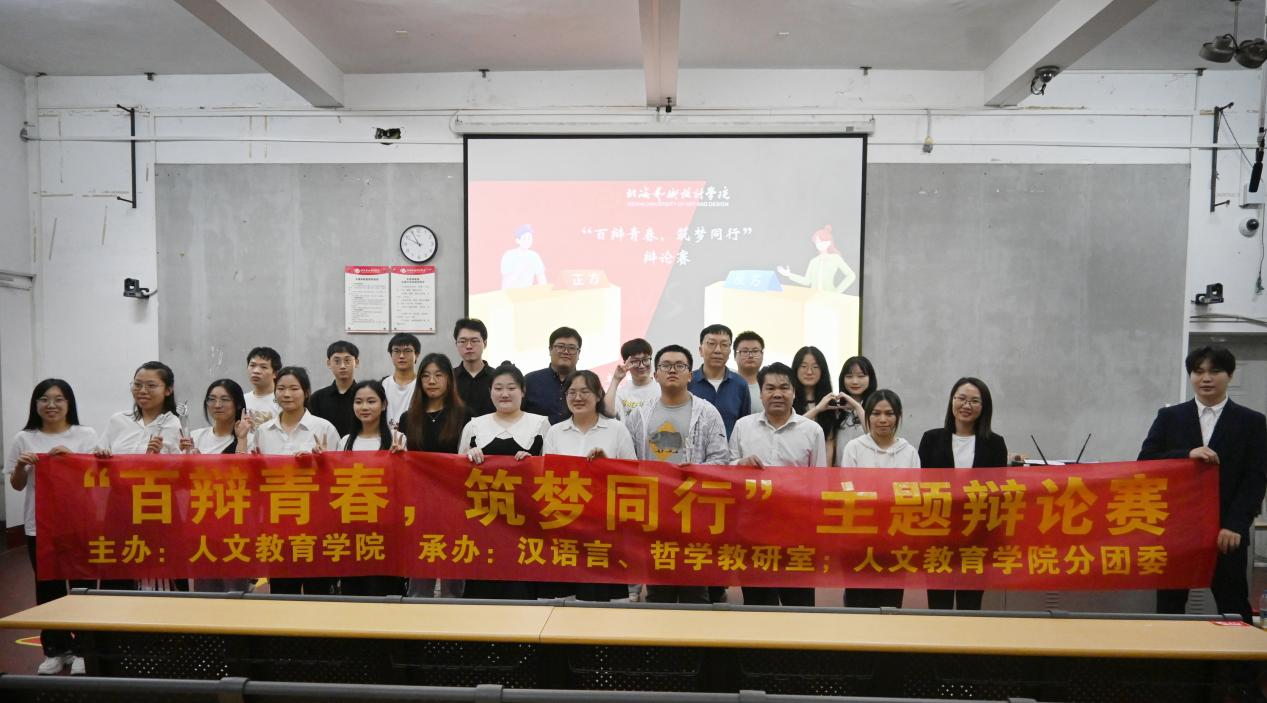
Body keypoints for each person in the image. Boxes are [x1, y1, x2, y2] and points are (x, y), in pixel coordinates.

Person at [1139, 346, 1266, 624]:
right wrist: (1186, 454)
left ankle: (1238, 654)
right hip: (1177, 529)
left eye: (1215, 371)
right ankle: (1173, 653)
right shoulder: (1170, 417)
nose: (1206, 378)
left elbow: (1255, 479)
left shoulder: (1252, 422)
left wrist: (1235, 525)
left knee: (1233, 605)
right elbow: (1146, 461)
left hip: (1226, 532)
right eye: (1198, 372)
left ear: (1230, 375)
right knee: (1170, 606)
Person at [5, 379, 98, 675]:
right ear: (35, 405)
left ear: (69, 403)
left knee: (82, 588)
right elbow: (17, 485)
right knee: (48, 588)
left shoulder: (85, 435)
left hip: (79, 524)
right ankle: (56, 649)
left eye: (59, 399)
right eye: (44, 399)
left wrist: (74, 461)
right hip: (39, 526)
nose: (51, 405)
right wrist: (22, 467)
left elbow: (96, 479)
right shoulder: (24, 438)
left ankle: (84, 649)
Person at [625, 344, 729, 604]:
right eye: (666, 366)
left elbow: (721, 461)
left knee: (695, 590)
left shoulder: (707, 412)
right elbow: (628, 460)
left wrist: (697, 472)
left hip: (695, 513)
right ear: (656, 374)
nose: (672, 370)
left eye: (680, 366)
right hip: (655, 514)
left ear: (690, 374)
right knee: (658, 591)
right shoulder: (639, 415)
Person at [729, 362, 827, 607]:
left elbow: (819, 483)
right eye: (770, 388)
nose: (777, 394)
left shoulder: (812, 431)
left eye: (784, 388)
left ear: (794, 392)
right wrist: (740, 464)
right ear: (760, 393)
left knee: (799, 605)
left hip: (796, 533)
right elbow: (726, 470)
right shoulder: (743, 427)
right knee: (758, 604)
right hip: (753, 531)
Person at [459, 362, 551, 599]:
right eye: (498, 388)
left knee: (521, 589)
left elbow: (551, 471)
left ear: (523, 391)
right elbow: (457, 474)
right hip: (483, 521)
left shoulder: (540, 424)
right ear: (490, 392)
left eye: (511, 388)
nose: (504, 394)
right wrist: (469, 458)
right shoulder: (474, 425)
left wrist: (534, 463)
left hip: (525, 522)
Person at [543, 370, 637, 602]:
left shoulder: (616, 429)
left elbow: (633, 478)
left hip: (604, 530)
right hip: (565, 528)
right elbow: (547, 479)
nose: (577, 397)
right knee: (565, 602)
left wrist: (607, 466)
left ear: (598, 395)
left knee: (602, 602)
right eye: (571, 392)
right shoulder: (555, 432)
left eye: (584, 391)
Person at [917, 377, 1008, 612]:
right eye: (962, 398)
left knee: (971, 606)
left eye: (975, 401)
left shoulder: (995, 443)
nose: (967, 405)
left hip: (976, 537)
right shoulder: (931, 439)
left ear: (984, 407)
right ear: (952, 401)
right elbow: (921, 487)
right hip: (938, 535)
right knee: (939, 606)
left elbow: (998, 493)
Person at [255, 366, 342, 596]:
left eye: (294, 388)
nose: (287, 394)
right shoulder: (263, 431)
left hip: (316, 523)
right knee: (283, 591)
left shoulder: (323, 428)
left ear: (306, 392)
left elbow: (340, 476)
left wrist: (322, 462)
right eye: (281, 388)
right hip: (279, 524)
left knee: (318, 591)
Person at [840, 389, 919, 609]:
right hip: (859, 538)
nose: (883, 419)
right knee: (858, 601)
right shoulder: (854, 448)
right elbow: (847, 490)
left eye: (889, 413)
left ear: (898, 416)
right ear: (867, 416)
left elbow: (914, 494)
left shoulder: (909, 452)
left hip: (895, 538)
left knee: (891, 601)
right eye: (876, 413)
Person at [400, 353, 469, 599]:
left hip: (455, 500)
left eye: (438, 375)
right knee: (421, 565)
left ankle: (455, 616)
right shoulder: (409, 418)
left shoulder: (464, 415)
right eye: (426, 376)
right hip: (419, 501)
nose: (432, 381)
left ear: (449, 379)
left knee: (453, 564)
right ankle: (418, 616)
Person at [180, 379, 255, 593]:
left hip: (235, 517)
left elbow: (242, 476)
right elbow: (183, 481)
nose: (217, 405)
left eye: (224, 399)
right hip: (203, 515)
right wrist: (186, 459)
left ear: (237, 404)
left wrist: (241, 439)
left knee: (235, 583)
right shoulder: (195, 437)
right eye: (212, 399)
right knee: (205, 581)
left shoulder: (251, 438)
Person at [336, 380, 406, 597]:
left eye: (371, 401)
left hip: (385, 525)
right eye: (358, 402)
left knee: (383, 586)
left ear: (384, 405)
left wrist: (401, 459)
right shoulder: (345, 441)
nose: (364, 407)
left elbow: (405, 483)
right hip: (352, 524)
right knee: (353, 587)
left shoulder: (397, 439)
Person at [98, 361, 183, 457]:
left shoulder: (173, 425)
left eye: (151, 386)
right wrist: (102, 454)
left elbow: (179, 463)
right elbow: (96, 456)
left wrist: (158, 457)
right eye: (137, 385)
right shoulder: (118, 420)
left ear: (168, 390)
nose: (142, 391)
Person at [688, 324, 751, 437]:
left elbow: (745, 426)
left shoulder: (740, 384)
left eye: (724, 345)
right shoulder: (687, 381)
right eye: (711, 344)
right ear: (700, 350)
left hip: (730, 448)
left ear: (730, 351)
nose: (718, 350)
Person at [524, 326, 582, 425]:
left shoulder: (588, 382)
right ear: (550, 349)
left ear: (578, 353)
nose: (566, 352)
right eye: (560, 347)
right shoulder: (530, 381)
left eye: (572, 348)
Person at [775, 224, 857, 293]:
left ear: (829, 242)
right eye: (818, 242)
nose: (820, 244)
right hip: (814, 297)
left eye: (823, 241)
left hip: (829, 297)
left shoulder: (835, 258)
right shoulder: (814, 261)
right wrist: (789, 275)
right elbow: (807, 281)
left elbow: (851, 275)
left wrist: (837, 292)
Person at [791, 346, 838, 462]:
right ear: (796, 369)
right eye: (804, 366)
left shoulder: (830, 402)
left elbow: (829, 442)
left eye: (815, 367)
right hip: (794, 462)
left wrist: (825, 471)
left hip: (819, 466)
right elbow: (789, 430)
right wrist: (817, 409)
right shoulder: (788, 399)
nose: (809, 372)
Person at [309, 340, 360, 438]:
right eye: (337, 361)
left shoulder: (363, 396)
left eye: (347, 361)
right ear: (329, 363)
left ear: (356, 362)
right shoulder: (317, 398)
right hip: (326, 446)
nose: (342, 366)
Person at [833, 356, 876, 467]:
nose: (855, 381)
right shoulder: (836, 408)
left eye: (861, 376)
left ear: (870, 378)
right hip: (839, 472)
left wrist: (857, 407)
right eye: (849, 376)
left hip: (867, 472)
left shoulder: (876, 407)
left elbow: (874, 436)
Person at [604, 337, 660, 421]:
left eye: (645, 359)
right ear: (626, 363)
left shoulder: (661, 389)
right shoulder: (622, 394)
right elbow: (607, 413)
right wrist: (615, 379)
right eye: (635, 361)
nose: (642, 365)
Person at [453, 318, 495, 417]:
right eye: (463, 341)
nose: (468, 346)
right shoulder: (449, 378)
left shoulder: (496, 377)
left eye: (474, 341)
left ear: (485, 344)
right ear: (456, 345)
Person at [382, 333, 420, 426]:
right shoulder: (383, 385)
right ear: (391, 354)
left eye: (407, 351)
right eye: (397, 351)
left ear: (416, 354)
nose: (402, 356)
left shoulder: (422, 384)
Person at [500, 224, 547, 289]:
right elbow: (505, 286)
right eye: (525, 238)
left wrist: (545, 291)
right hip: (511, 293)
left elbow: (541, 278)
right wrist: (518, 270)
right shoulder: (509, 255)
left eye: (529, 238)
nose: (528, 241)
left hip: (528, 293)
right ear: (517, 241)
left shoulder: (534, 256)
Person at [244, 346, 283, 420]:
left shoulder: (283, 401)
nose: (256, 371)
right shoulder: (243, 400)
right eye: (252, 365)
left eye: (263, 367)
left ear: (275, 373)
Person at [733, 331, 765, 415]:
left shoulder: (768, 386)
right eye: (745, 351)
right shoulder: (728, 384)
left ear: (762, 355)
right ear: (734, 356)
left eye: (755, 351)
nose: (750, 355)